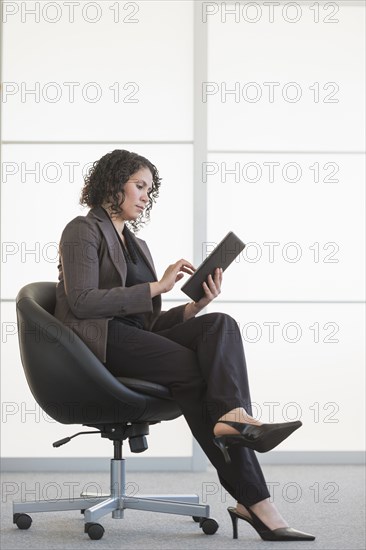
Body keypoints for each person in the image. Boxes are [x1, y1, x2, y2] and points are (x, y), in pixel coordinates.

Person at [54, 149, 315, 542]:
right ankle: (256, 499)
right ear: (113, 183)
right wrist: (157, 287)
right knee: (199, 376)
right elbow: (82, 301)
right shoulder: (81, 229)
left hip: (134, 338)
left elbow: (146, 323)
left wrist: (194, 307)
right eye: (139, 186)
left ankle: (235, 424)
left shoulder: (137, 244)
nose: (145, 196)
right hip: (98, 344)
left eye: (149, 190)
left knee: (219, 326)